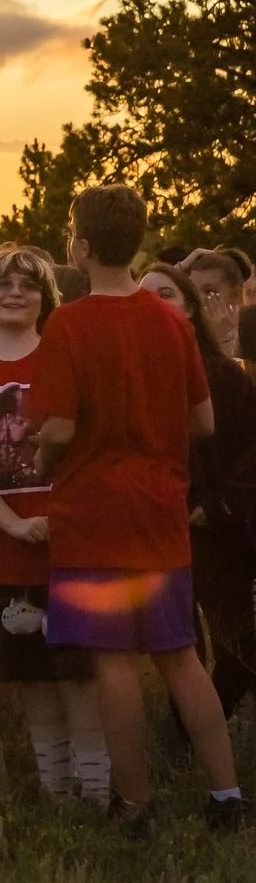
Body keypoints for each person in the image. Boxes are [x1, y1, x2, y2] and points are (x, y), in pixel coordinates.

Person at [31, 185, 241, 830]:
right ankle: (225, 797)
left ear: (83, 245)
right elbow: (202, 419)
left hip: (93, 514)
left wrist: (42, 458)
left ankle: (138, 802)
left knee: (114, 660)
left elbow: (59, 429)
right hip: (158, 509)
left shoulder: (67, 324)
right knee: (179, 653)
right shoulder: (169, 321)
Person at [0, 245, 108, 805]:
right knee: (31, 677)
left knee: (79, 674)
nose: (14, 293)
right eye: (2, 284)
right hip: (4, 550)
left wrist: (59, 516)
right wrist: (10, 523)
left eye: (27, 286)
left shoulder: (66, 357)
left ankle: (97, 792)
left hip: (71, 544)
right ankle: (58, 795)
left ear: (45, 299)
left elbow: (91, 447)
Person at [141, 262, 256, 722]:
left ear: (189, 307)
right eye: (143, 295)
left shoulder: (223, 376)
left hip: (215, 527)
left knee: (239, 645)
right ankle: (187, 737)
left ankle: (215, 719)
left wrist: (223, 503)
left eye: (165, 294)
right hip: (154, 526)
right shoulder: (128, 376)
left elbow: (252, 445)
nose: (152, 303)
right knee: (177, 643)